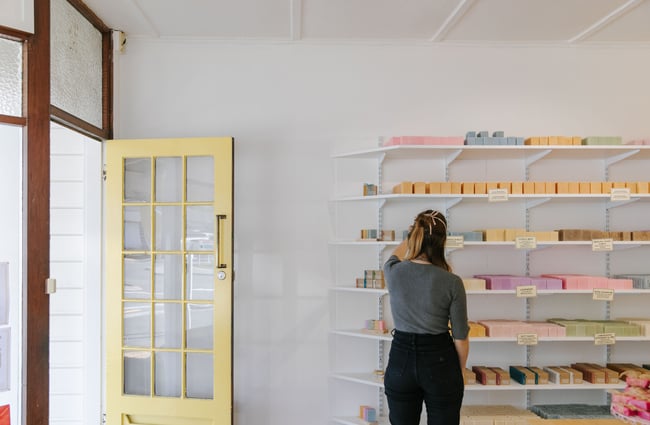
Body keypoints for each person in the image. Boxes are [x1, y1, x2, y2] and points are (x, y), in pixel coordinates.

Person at [383, 209, 469, 425]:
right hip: (440, 361)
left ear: (415, 236)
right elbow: (460, 337)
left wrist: (411, 237)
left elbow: (396, 253)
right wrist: (459, 372)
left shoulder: (392, 271)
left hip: (400, 361)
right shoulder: (452, 282)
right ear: (443, 242)